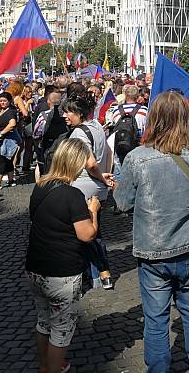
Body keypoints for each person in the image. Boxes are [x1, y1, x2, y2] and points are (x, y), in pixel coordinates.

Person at [115, 91, 189, 373]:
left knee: (156, 318)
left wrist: (118, 185)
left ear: (154, 119)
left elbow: (122, 203)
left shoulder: (137, 158)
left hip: (153, 249)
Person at [25, 138, 100, 373]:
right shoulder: (73, 195)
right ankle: (54, 369)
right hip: (62, 272)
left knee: (43, 322)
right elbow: (87, 234)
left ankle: (45, 366)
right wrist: (93, 212)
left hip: (36, 266)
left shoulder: (40, 186)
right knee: (61, 329)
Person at [62, 94, 115, 290]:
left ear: (80, 113)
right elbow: (108, 152)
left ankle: (101, 272)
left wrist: (101, 176)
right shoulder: (96, 126)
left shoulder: (78, 134)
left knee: (88, 233)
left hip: (84, 186)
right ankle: (96, 273)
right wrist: (105, 176)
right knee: (94, 229)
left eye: (69, 112)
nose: (65, 116)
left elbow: (90, 163)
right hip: (97, 187)